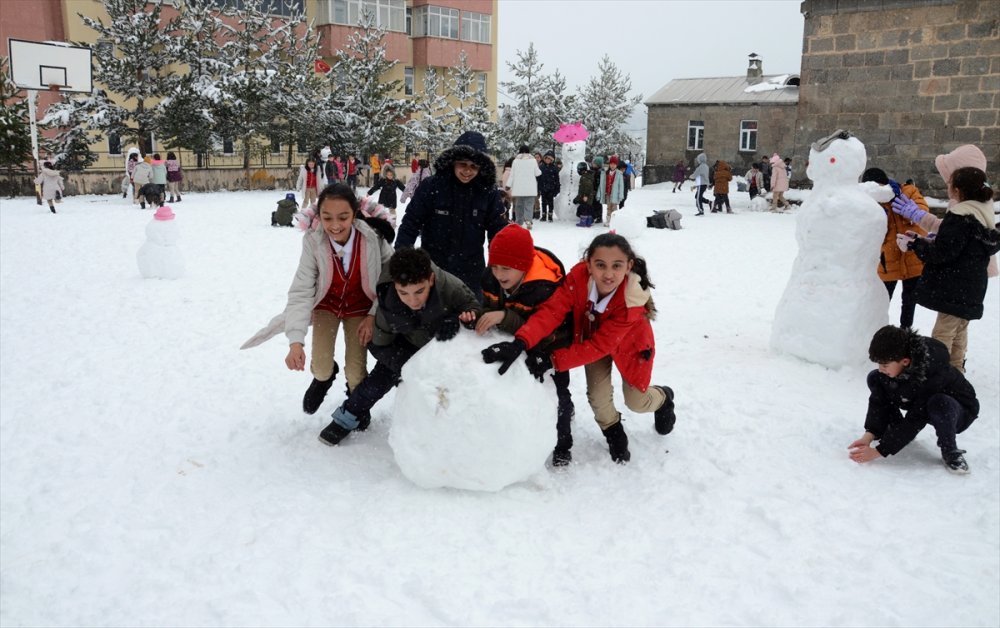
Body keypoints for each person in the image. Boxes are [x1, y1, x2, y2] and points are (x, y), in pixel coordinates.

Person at [481, 233, 677, 464]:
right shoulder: (578, 279)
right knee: (597, 397)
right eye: (600, 265)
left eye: (617, 266)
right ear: (589, 264)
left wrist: (552, 360)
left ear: (628, 266)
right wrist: (521, 342)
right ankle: (612, 429)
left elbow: (602, 344)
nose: (608, 274)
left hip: (630, 346)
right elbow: (551, 312)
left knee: (636, 401)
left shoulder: (631, 301)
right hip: (592, 341)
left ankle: (663, 398)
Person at [241, 183, 395, 416]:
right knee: (321, 367)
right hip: (326, 307)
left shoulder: (373, 237)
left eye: (343, 217)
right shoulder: (314, 241)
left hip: (361, 308)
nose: (335, 225)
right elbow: (301, 291)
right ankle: (325, 377)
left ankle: (355, 406)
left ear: (354, 214)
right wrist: (295, 341)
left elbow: (391, 278)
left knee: (356, 374)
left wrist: (374, 314)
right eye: (327, 217)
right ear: (319, 215)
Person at [318, 247, 479, 445]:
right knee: (376, 384)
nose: (413, 300)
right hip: (404, 348)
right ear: (395, 286)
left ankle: (455, 428)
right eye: (404, 293)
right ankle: (347, 417)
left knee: (450, 387)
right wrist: (404, 365)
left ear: (431, 279)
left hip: (441, 347)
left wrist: (458, 318)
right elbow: (379, 344)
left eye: (419, 291)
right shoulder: (388, 302)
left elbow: (475, 308)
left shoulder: (449, 286)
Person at [460, 224, 576, 465]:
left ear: (523, 266)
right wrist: (476, 315)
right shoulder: (491, 278)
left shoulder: (544, 287)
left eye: (506, 268)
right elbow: (489, 308)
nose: (499, 274)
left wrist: (504, 317)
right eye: (495, 266)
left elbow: (544, 329)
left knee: (558, 393)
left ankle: (563, 444)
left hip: (554, 343)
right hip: (520, 341)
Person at [897, 166, 1000, 372]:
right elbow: (962, 247)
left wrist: (915, 245)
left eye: (950, 183)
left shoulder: (960, 216)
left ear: (958, 190)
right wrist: (924, 240)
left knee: (942, 334)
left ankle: (937, 372)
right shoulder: (982, 212)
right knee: (959, 331)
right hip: (971, 287)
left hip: (954, 287)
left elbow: (942, 253)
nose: (948, 187)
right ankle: (955, 371)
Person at [849, 325, 980, 474]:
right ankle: (895, 425)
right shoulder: (899, 360)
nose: (881, 368)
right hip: (920, 398)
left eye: (884, 365)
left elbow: (916, 418)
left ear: (905, 361)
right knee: (876, 378)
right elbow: (878, 402)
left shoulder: (932, 373)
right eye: (879, 364)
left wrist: (880, 451)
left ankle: (950, 451)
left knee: (939, 402)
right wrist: (869, 435)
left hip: (958, 411)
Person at [395, 131, 509, 298]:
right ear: (453, 162)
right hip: (433, 269)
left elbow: (498, 232)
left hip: (471, 272)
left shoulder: (487, 192)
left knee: (471, 312)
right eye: (463, 164)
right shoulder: (431, 187)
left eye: (474, 166)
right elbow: (410, 223)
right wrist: (402, 260)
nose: (467, 171)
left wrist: (499, 267)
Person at [860, 167, 929, 328]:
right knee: (881, 300)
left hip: (912, 256)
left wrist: (911, 211)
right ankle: (877, 331)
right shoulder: (869, 203)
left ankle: (906, 332)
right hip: (887, 260)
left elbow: (924, 212)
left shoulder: (908, 191)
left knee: (910, 300)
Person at [507, 145, 541, 230]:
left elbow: (512, 175)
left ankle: (519, 222)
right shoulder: (533, 160)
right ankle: (528, 220)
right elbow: (537, 173)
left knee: (519, 205)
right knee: (529, 205)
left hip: (519, 188)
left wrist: (508, 185)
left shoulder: (515, 161)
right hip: (530, 188)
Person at [598, 156, 625, 221]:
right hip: (608, 193)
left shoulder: (619, 174)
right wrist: (600, 193)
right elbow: (602, 184)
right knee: (608, 207)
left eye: (614, 164)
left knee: (614, 208)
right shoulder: (606, 173)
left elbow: (621, 186)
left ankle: (614, 221)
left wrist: (620, 195)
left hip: (615, 194)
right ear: (609, 164)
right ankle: (608, 220)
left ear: (616, 165)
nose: (612, 166)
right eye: (611, 164)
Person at [537, 150, 561, 222]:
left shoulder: (554, 168)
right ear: (544, 158)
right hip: (543, 187)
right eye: (547, 158)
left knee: (550, 202)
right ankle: (544, 215)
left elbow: (557, 179)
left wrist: (557, 188)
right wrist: (539, 187)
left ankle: (550, 215)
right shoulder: (541, 167)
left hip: (551, 188)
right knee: (543, 202)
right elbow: (538, 178)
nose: (548, 160)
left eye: (550, 159)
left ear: (552, 160)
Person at [574, 161, 595, 228]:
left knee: (584, 209)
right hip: (588, 196)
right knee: (587, 209)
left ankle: (583, 222)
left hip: (586, 197)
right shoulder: (586, 176)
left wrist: (585, 195)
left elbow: (588, 186)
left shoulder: (585, 177)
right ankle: (588, 222)